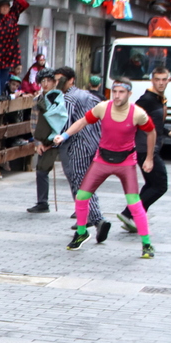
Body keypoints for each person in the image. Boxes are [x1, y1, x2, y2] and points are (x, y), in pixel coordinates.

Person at [53, 77, 157, 258]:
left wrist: (149, 158)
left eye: (121, 92)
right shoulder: (103, 107)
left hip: (126, 162)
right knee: (82, 196)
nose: (117, 95)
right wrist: (64, 136)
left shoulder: (137, 113)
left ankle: (147, 244)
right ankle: (81, 233)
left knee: (134, 204)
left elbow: (151, 132)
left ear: (129, 94)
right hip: (102, 159)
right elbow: (82, 122)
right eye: (114, 91)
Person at [116, 67, 171, 232]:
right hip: (145, 149)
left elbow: (153, 123)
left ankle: (133, 216)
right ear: (152, 80)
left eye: (164, 79)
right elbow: (131, 118)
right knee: (160, 185)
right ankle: (130, 214)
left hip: (151, 147)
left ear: (169, 80)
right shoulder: (146, 100)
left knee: (151, 184)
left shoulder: (159, 99)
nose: (161, 83)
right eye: (157, 79)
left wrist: (168, 132)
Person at [54, 66, 108, 240]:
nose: (57, 83)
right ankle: (89, 219)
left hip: (78, 144)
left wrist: (52, 140)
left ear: (71, 80)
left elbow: (65, 123)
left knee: (81, 182)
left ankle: (97, 219)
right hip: (95, 142)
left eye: (60, 80)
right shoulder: (88, 96)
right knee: (86, 181)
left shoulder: (68, 98)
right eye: (56, 80)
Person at [27, 70, 65, 213]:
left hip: (63, 137)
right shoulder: (38, 100)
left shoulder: (61, 98)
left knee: (72, 172)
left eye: (48, 81)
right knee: (41, 171)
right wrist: (38, 143)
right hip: (45, 140)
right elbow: (34, 122)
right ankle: (42, 202)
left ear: (55, 82)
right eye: (43, 81)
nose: (45, 84)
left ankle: (81, 206)